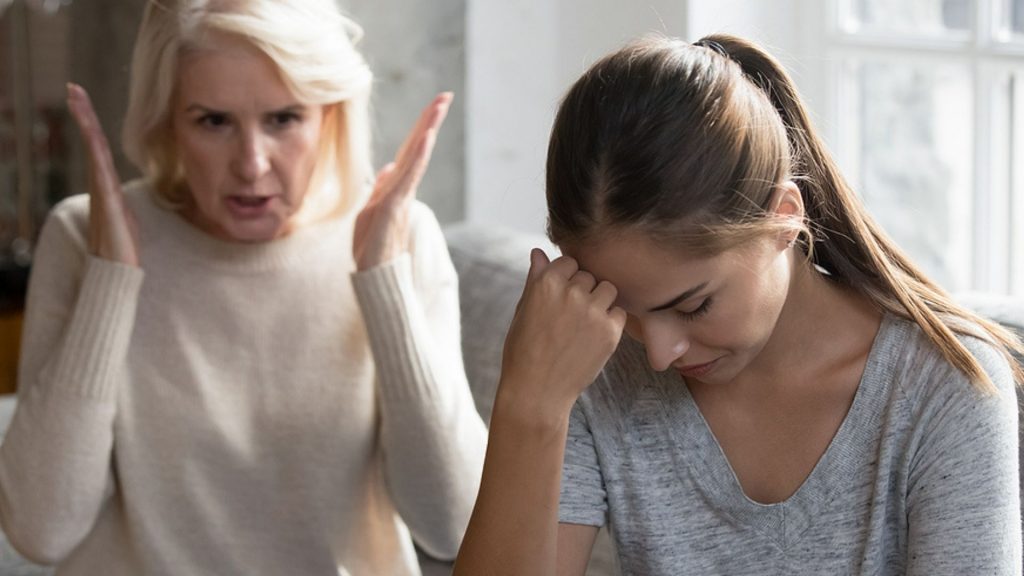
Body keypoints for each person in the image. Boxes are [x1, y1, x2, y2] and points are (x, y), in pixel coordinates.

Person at [454, 34, 1024, 575]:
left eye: (693, 306)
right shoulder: (588, 369)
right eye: (622, 308)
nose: (657, 353)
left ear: (783, 217)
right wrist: (529, 403)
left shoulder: (945, 390)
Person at [0, 1, 487, 574]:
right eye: (213, 121)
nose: (252, 165)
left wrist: (382, 281)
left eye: (283, 118)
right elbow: (41, 532)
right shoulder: (84, 235)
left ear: (329, 113)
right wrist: (113, 278)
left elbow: (453, 525)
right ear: (166, 121)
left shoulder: (399, 236)